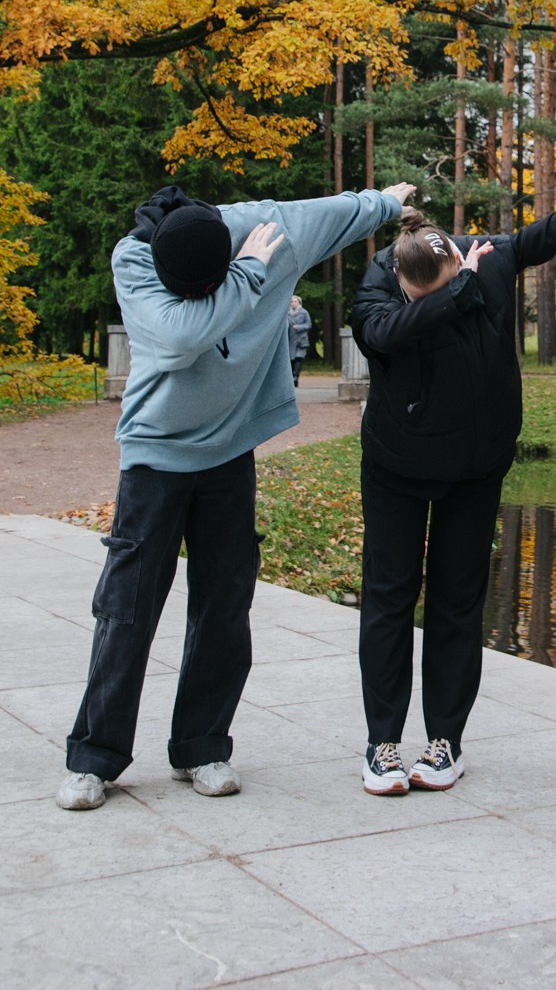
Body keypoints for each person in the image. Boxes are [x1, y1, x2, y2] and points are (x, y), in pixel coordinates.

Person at [57, 177, 413, 811]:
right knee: (128, 609)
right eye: (188, 290)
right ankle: (94, 757)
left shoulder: (270, 228)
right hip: (154, 457)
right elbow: (177, 337)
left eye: (210, 284)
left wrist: (387, 201)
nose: (198, 297)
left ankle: (202, 746)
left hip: (229, 455)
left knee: (224, 608)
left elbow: (334, 212)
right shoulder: (134, 257)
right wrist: (247, 277)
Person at [350, 118, 556, 796]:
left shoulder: (487, 257)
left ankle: (444, 743)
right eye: (424, 295)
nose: (433, 299)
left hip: (474, 465)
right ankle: (382, 743)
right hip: (396, 467)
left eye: (448, 285)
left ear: (453, 259)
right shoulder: (381, 286)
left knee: (458, 603)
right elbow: (388, 333)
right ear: (403, 279)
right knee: (388, 598)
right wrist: (459, 291)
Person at [288, 294, 312, 385]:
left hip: (301, 340)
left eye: (295, 301)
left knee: (299, 358)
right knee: (291, 360)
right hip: (290, 339)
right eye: (291, 302)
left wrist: (298, 327)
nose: (293, 303)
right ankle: (291, 377)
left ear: (299, 303)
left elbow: (308, 324)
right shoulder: (287, 313)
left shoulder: (304, 312)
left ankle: (296, 376)